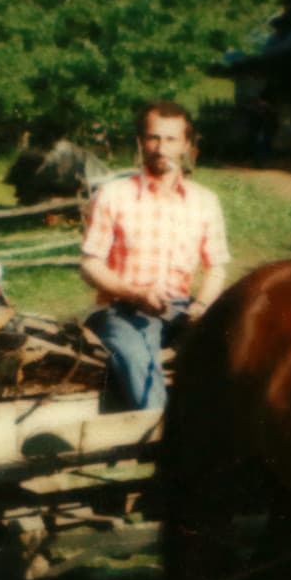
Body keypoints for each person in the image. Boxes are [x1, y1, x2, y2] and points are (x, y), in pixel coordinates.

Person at [81, 101, 230, 411]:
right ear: (140, 142)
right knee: (138, 359)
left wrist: (201, 306)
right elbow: (90, 265)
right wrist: (136, 293)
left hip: (184, 312)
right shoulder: (113, 195)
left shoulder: (205, 202)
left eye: (171, 139)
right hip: (126, 309)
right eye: (153, 138)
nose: (161, 148)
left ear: (187, 145)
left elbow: (215, 267)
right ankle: (162, 438)